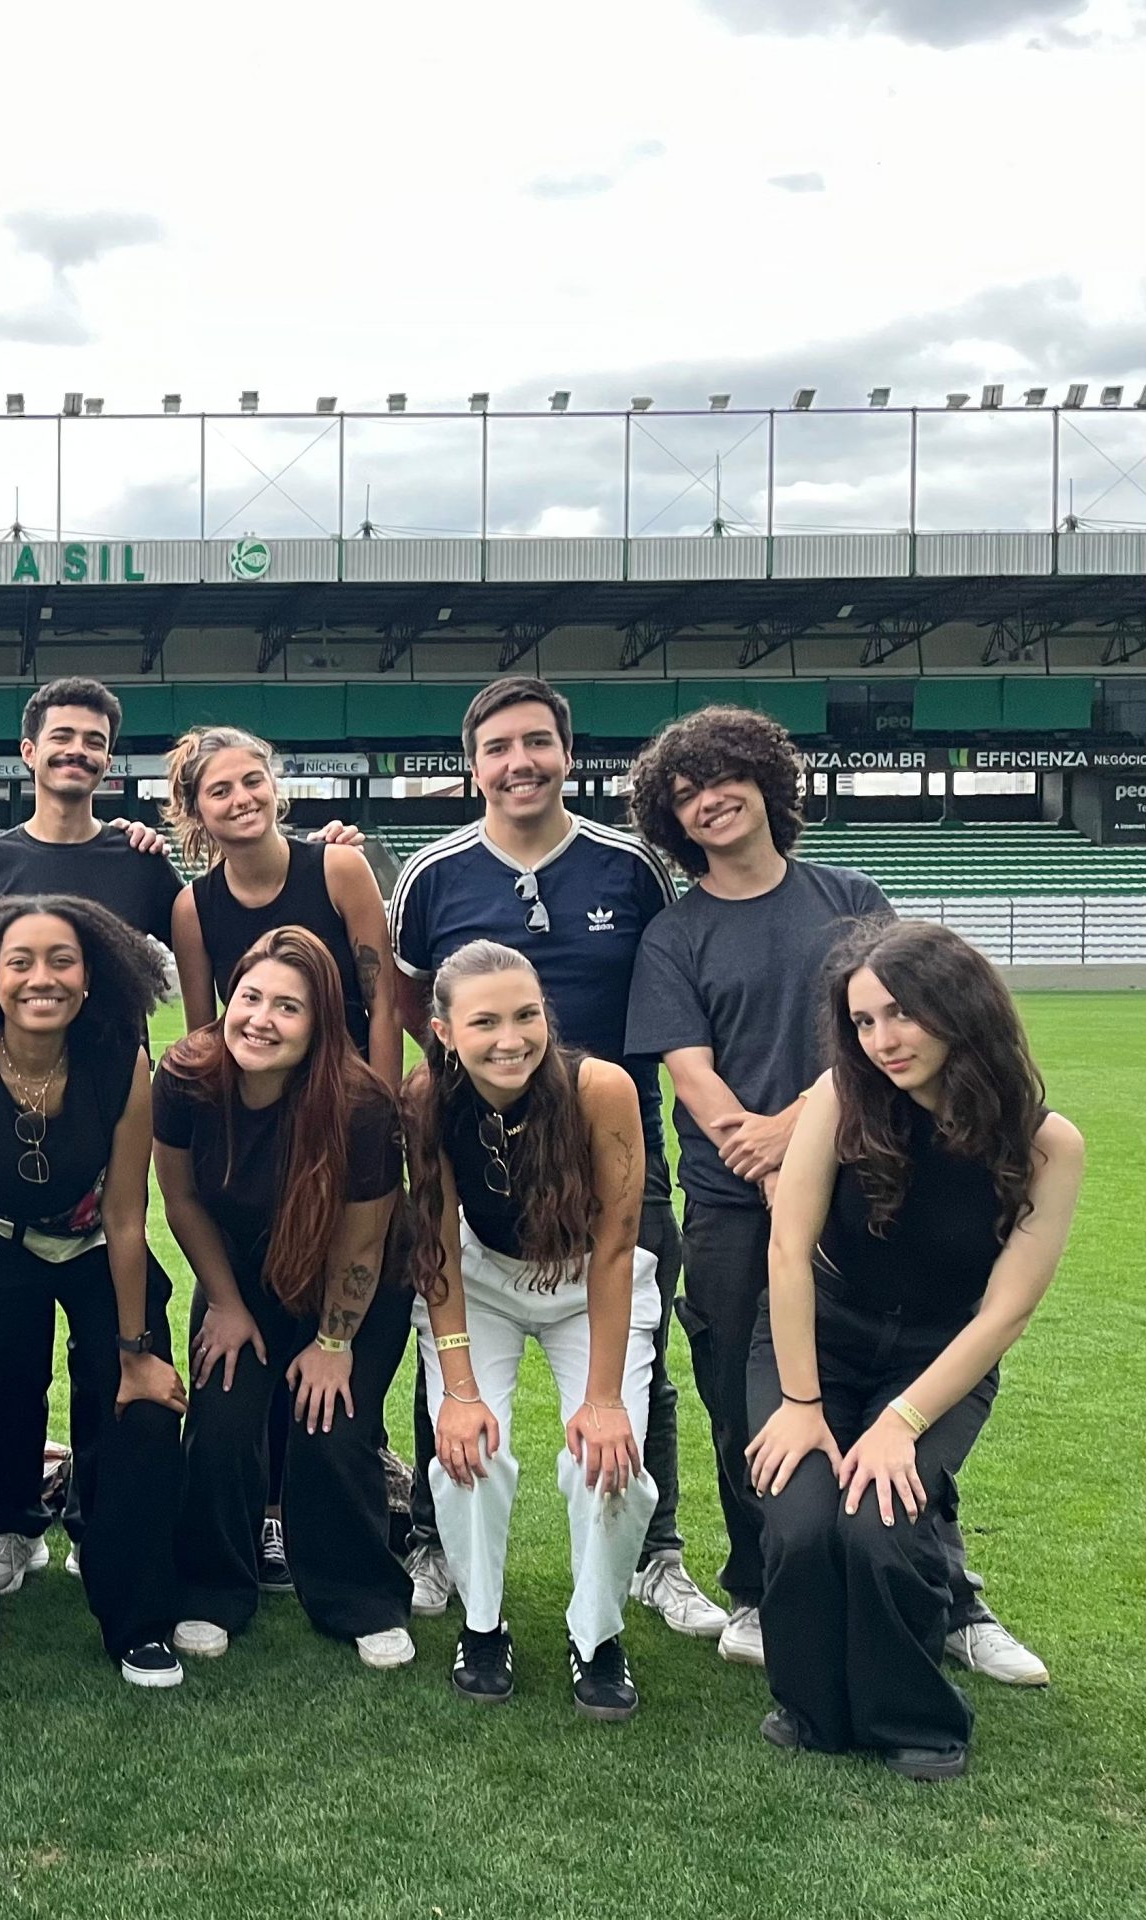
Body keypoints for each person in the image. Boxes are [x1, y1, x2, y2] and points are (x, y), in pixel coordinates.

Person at [619, 709, 1043, 1689]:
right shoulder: (672, 931)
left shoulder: (848, 897)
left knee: (902, 1385)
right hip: (732, 1200)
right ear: (668, 819)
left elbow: (887, 1030)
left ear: (766, 781)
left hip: (870, 1186)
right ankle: (764, 1585)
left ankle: (947, 1597)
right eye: (682, 794)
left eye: (722, 778)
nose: (706, 801)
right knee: (743, 1398)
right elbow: (688, 1070)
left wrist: (800, 1132)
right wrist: (755, 1145)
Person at [389, 676, 725, 1642]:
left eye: (537, 742)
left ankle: (656, 1554)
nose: (519, 762)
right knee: (449, 1352)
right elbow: (416, 1009)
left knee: (636, 1374)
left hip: (612, 1145)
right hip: (480, 1139)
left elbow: (670, 988)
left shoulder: (631, 867)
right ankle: (431, 1539)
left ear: (566, 755)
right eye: (498, 747)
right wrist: (462, 1097)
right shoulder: (433, 874)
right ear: (473, 763)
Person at [745, 921, 1081, 1780]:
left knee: (878, 1523)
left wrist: (902, 1420)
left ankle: (916, 1718)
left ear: (957, 1007)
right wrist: (802, 1403)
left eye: (901, 1014)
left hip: (937, 1360)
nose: (881, 1040)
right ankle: (812, 1707)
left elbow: (1004, 1314)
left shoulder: (1048, 1146)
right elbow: (787, 1251)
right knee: (804, 1516)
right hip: (810, 1343)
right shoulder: (838, 1097)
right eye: (862, 1022)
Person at [0, 896, 188, 1685]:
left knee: (145, 1410)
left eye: (62, 960)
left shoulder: (121, 1062)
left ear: (92, 978)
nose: (41, 978)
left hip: (96, 1243)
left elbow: (129, 1220)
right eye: (19, 962)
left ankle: (137, 1621)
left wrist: (133, 1355)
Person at [405, 939, 659, 1719]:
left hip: (592, 1284)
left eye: (526, 1015)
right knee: (467, 1450)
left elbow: (617, 1243)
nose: (510, 1038)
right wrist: (458, 1389)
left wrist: (605, 1398)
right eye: (484, 1022)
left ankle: (597, 1635)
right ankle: (482, 1624)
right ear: (445, 1031)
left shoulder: (599, 1088)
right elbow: (435, 1242)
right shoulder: (426, 1098)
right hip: (480, 1284)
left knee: (608, 1460)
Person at [159, 927, 414, 1667]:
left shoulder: (362, 1104)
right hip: (240, 1275)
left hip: (351, 1288)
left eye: (288, 1008)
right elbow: (179, 1198)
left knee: (331, 1430)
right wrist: (227, 1305)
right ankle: (211, 1589)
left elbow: (363, 1243)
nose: (260, 1020)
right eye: (250, 998)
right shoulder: (186, 1075)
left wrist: (333, 1345)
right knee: (222, 1415)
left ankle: (359, 1596)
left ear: (322, 1022)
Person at [166, 725, 398, 1088]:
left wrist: (386, 1117)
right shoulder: (193, 909)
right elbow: (204, 1038)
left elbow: (385, 1009)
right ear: (196, 810)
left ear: (274, 786)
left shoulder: (341, 870)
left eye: (253, 781)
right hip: (256, 1112)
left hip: (348, 1106)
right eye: (220, 791)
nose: (242, 799)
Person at [0, 678, 183, 947]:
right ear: (29, 752)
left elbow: (212, 949)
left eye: (94, 742)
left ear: (107, 764)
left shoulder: (142, 861)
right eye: (62, 737)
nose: (77, 751)